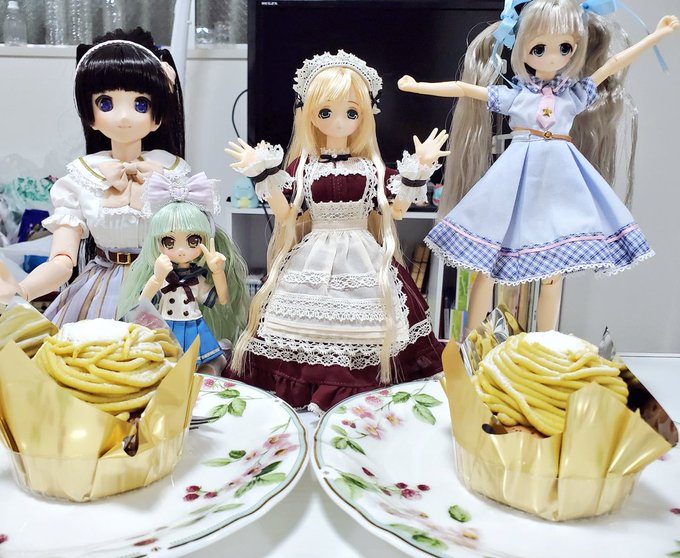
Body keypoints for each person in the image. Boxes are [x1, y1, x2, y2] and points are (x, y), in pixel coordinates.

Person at [398, 0, 679, 332]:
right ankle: (469, 342)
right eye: (539, 48)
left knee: (552, 276)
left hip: (561, 181)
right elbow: (465, 89)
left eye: (564, 48)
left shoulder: (574, 94)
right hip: (515, 179)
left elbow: (613, 64)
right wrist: (418, 86)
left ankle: (547, 342)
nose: (552, 57)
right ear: (522, 48)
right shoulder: (516, 96)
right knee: (489, 268)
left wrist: (656, 36)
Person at [225, 50, 449, 412]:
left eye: (351, 113)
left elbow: (396, 210)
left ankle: (360, 383)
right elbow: (285, 214)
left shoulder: (372, 169)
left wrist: (418, 170)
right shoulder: (303, 167)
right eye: (326, 112)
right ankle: (305, 385)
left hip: (362, 255)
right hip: (313, 254)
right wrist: (261, 173)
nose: (339, 121)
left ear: (366, 115)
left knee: (371, 323)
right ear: (311, 115)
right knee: (298, 323)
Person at [0, 28, 188, 324]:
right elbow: (63, 261)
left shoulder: (172, 172)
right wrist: (22, 290)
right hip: (100, 292)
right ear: (90, 115)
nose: (123, 116)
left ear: (158, 117)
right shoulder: (82, 178)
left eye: (141, 104)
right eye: (106, 103)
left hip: (161, 287)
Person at [117, 172, 249, 371]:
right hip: (167, 328)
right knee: (166, 364)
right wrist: (157, 278)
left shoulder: (197, 279)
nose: (180, 250)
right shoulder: (163, 277)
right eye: (169, 241)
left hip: (193, 327)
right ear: (158, 243)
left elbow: (222, 300)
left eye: (193, 241)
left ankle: (217, 360)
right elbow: (142, 303)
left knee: (195, 364)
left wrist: (218, 273)